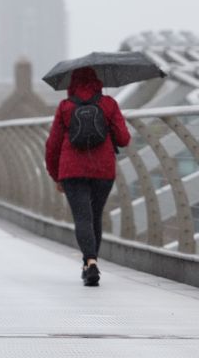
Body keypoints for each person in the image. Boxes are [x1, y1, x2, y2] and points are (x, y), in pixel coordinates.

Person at [45, 67, 130, 286]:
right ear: (98, 82)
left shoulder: (65, 107)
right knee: (95, 216)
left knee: (82, 217)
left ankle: (90, 262)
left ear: (72, 84)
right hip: (103, 170)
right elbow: (124, 139)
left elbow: (52, 146)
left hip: (72, 171)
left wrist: (57, 176)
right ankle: (90, 262)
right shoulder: (109, 104)